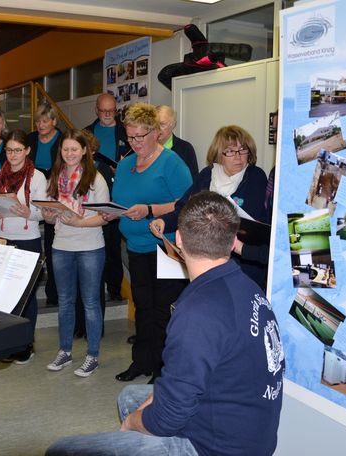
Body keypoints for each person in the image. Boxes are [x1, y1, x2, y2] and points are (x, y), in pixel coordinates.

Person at [46, 191, 285, 456]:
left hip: (216, 447)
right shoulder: (247, 286)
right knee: (128, 397)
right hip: (248, 427)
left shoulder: (197, 312)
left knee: (61, 450)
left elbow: (166, 419)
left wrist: (132, 423)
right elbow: (180, 380)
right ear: (232, 243)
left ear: (179, 239)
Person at [102, 102, 192, 382]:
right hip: (136, 247)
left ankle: (162, 369)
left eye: (140, 136)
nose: (135, 142)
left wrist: (150, 209)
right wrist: (110, 212)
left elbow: (187, 204)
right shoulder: (127, 162)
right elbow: (122, 202)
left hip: (165, 248)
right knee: (141, 308)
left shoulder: (172, 162)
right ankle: (141, 362)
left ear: (155, 133)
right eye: (130, 137)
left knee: (163, 311)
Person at [150, 125, 269, 289]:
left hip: (242, 263)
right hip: (207, 259)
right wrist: (164, 221)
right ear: (219, 153)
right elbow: (187, 208)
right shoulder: (207, 175)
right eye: (230, 151)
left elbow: (253, 223)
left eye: (243, 150)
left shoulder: (256, 176)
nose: (238, 157)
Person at [41, 129, 109, 377]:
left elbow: (104, 217)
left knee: (91, 302)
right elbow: (50, 218)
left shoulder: (96, 179)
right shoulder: (55, 177)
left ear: (84, 151)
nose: (69, 154)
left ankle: (92, 355)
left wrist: (79, 223)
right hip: (61, 246)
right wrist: (48, 215)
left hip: (90, 247)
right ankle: (65, 351)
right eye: (65, 149)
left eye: (74, 149)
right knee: (65, 302)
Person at [0, 129, 47, 363]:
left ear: (28, 150)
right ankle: (7, 341)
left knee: (27, 294)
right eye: (9, 150)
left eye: (18, 150)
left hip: (28, 239)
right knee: (4, 294)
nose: (12, 155)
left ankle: (25, 343)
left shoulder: (38, 177)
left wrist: (29, 212)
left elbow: (43, 212)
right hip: (2, 237)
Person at [84, 93, 129, 302]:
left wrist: (122, 166)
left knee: (113, 244)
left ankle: (114, 287)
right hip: (91, 193)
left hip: (117, 193)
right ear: (96, 110)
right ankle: (94, 283)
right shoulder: (86, 132)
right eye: (104, 111)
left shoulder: (126, 131)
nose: (108, 115)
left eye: (112, 111)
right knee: (93, 242)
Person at [27, 104, 63, 307]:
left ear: (54, 121)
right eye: (38, 121)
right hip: (34, 193)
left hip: (55, 193)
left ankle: (53, 293)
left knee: (52, 245)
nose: (41, 125)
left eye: (45, 121)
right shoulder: (31, 139)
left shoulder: (62, 140)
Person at [157, 105, 198, 180]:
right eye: (154, 124)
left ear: (173, 125)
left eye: (162, 124)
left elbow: (194, 181)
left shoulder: (185, 148)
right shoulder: (146, 147)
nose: (157, 128)